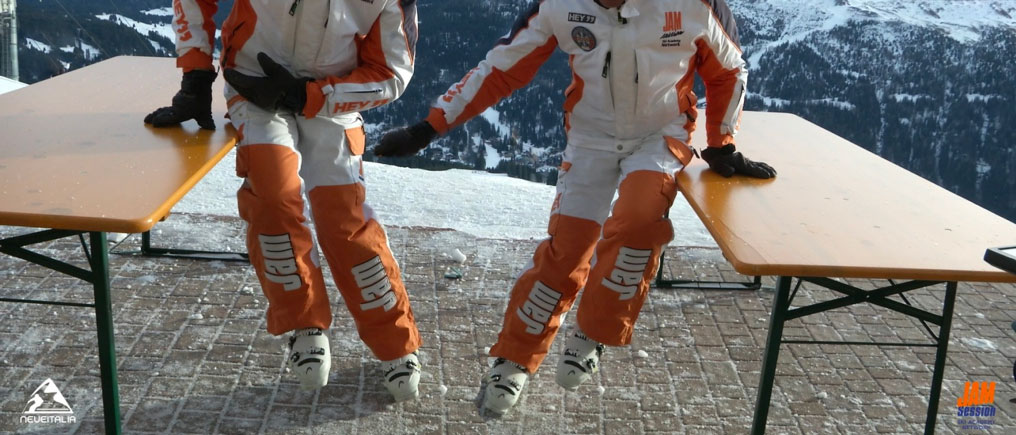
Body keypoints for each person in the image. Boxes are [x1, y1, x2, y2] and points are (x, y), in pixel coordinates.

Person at [374, 0, 775, 413]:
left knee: (639, 223)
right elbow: (500, 70)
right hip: (590, 137)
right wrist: (430, 127)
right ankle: (514, 356)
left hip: (660, 137)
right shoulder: (560, 5)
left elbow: (729, 69)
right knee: (566, 252)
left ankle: (593, 331)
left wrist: (721, 143)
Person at [145, 0, 425, 401]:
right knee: (274, 200)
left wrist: (306, 95)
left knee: (346, 223)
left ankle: (396, 342)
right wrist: (196, 75)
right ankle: (303, 322)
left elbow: (392, 73)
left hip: (332, 98)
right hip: (255, 89)